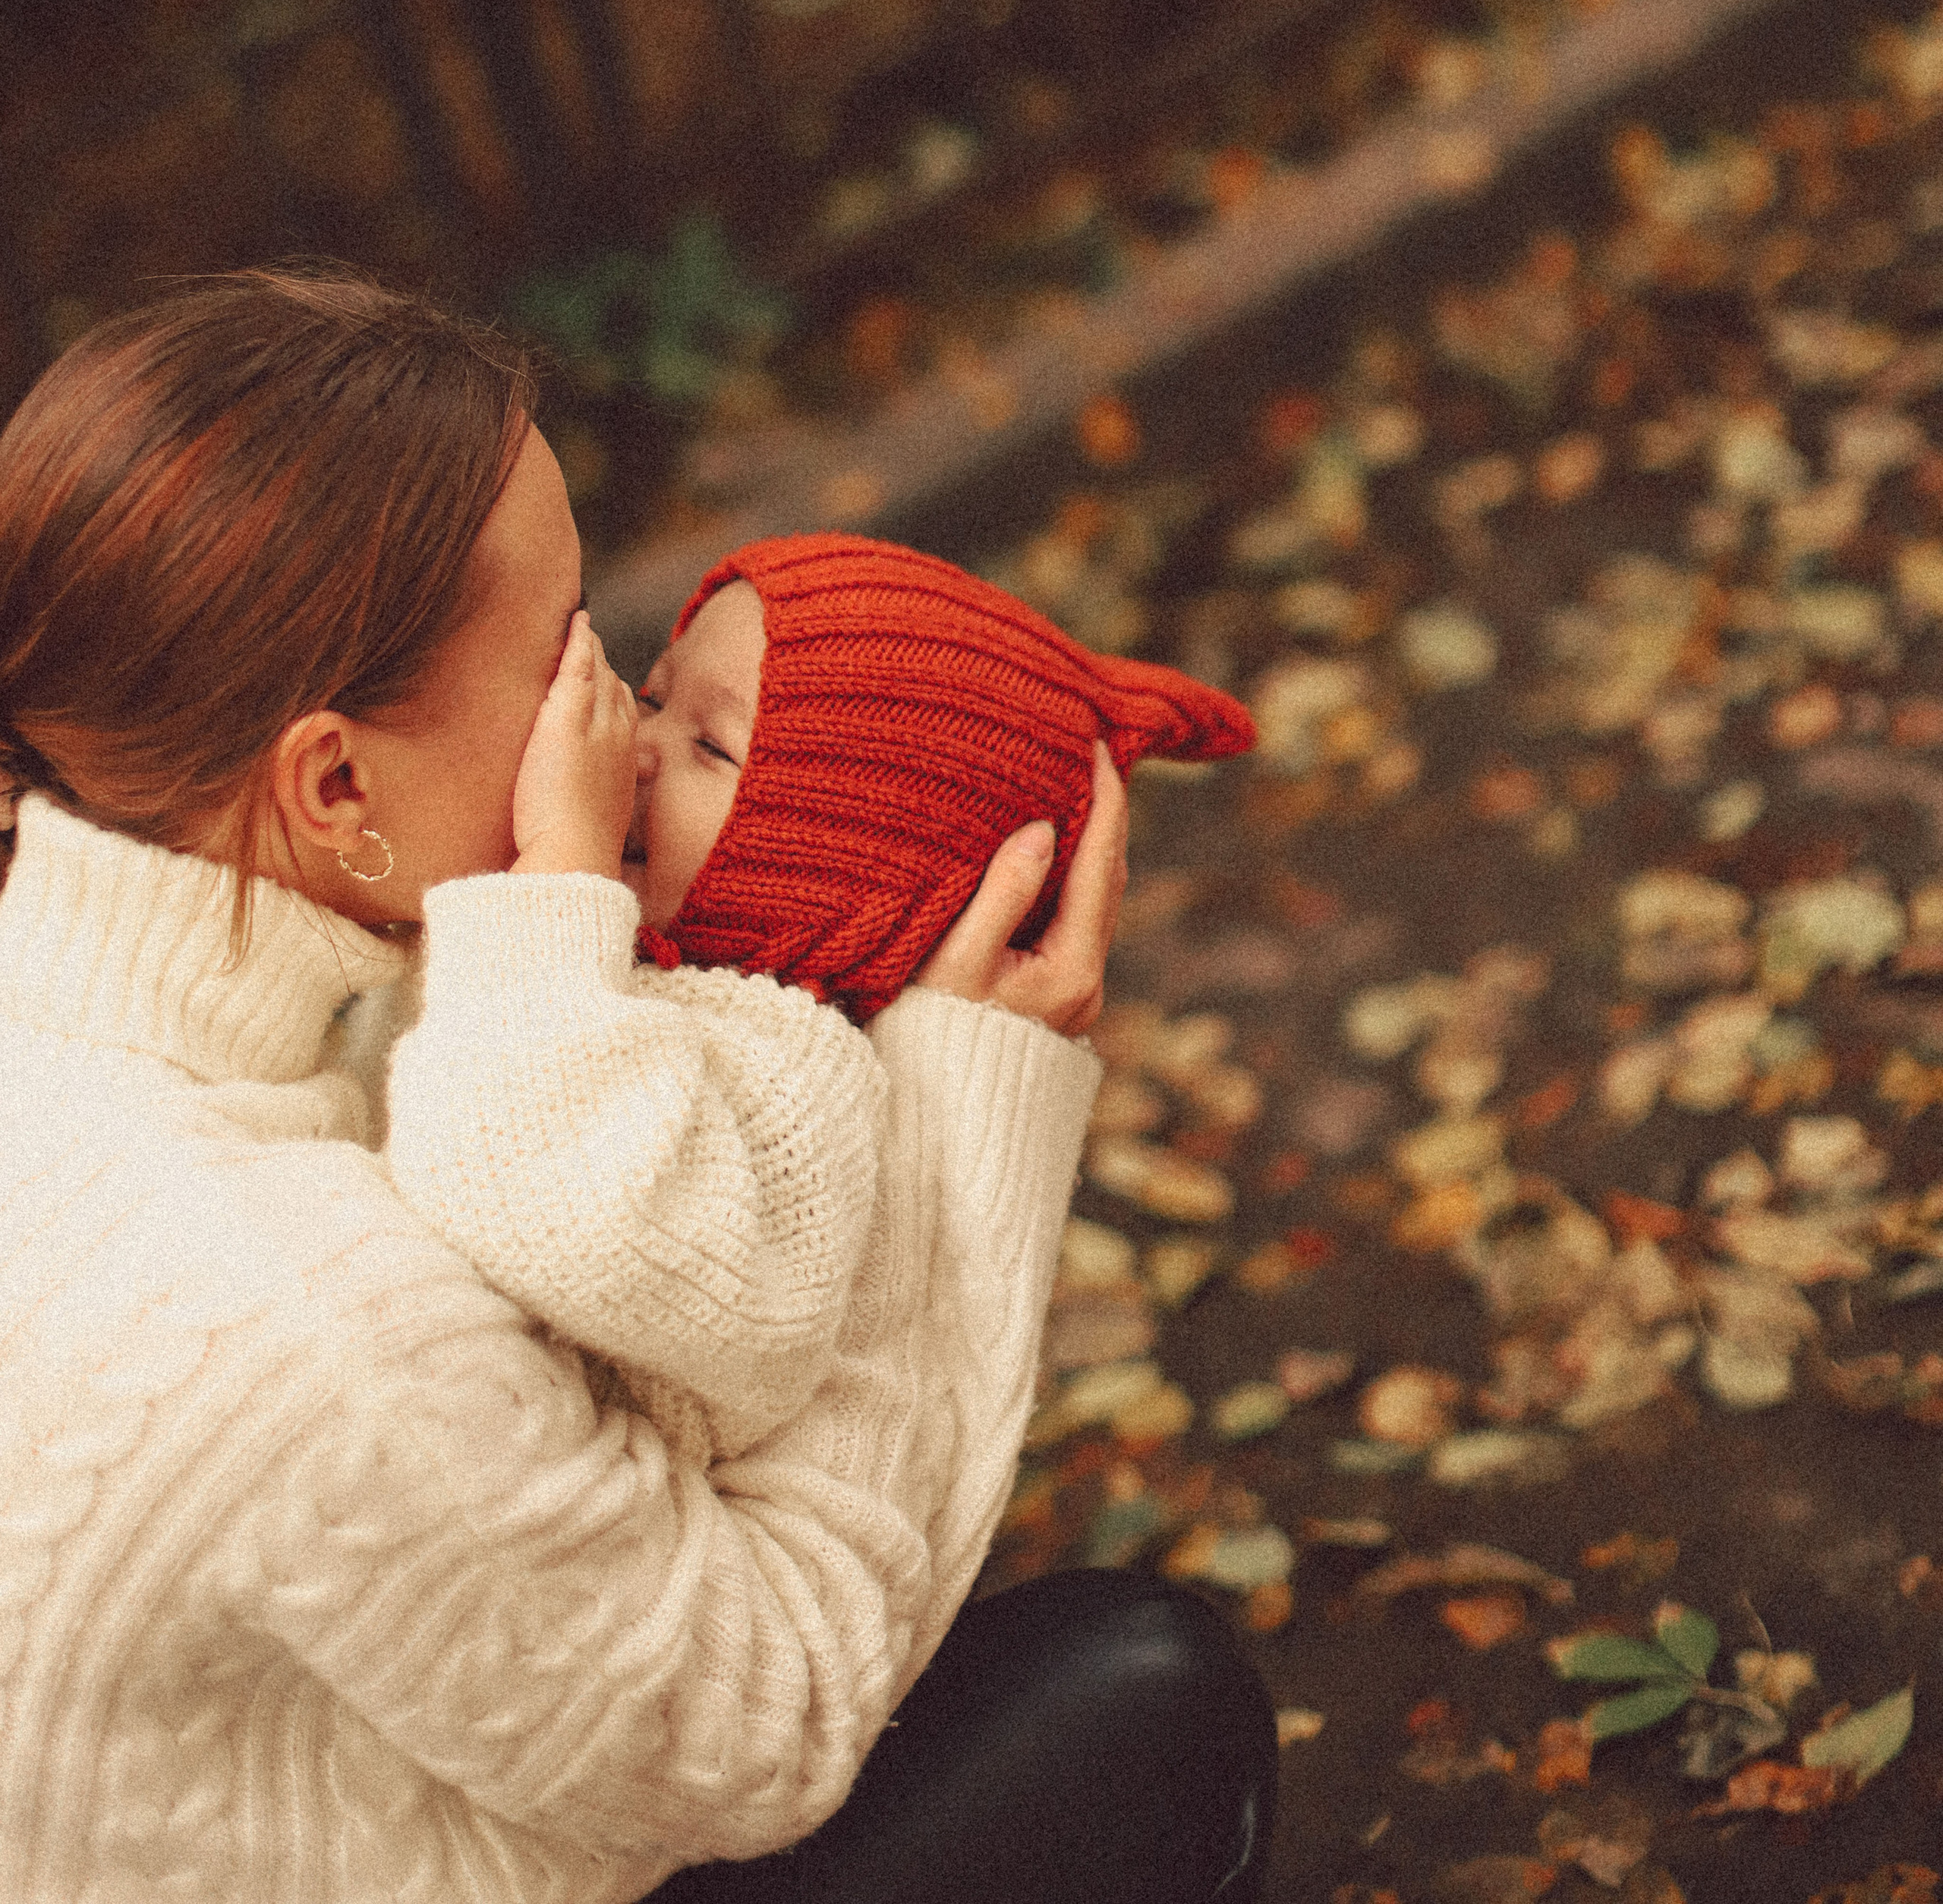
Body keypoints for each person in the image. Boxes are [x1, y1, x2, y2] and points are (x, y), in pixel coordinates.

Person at [0, 266, 1277, 1904]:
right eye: (560, 655)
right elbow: (767, 1724)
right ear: (333, 781)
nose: (604, 708)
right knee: (1137, 1697)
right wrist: (955, 1123)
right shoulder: (305, 1321)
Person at [384, 531, 1255, 1465]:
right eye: (654, 695)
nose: (633, 748)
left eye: (712, 747)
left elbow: (571, 1215)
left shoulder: (787, 1076)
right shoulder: (624, 963)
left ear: (858, 872)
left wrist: (548, 883)